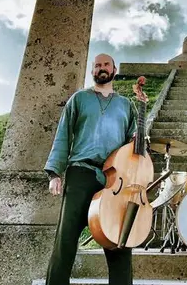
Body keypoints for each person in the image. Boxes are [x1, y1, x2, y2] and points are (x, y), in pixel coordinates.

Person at [44, 53, 137, 285]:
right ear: (92, 71)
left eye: (106, 64)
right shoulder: (79, 99)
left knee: (119, 241)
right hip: (81, 173)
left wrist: (138, 141)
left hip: (113, 179)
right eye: (97, 65)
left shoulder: (126, 105)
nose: (101, 68)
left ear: (114, 70)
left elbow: (132, 144)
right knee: (66, 240)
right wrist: (55, 172)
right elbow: (63, 134)